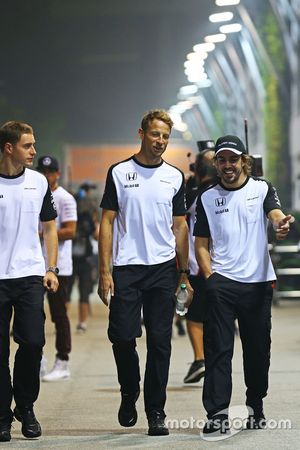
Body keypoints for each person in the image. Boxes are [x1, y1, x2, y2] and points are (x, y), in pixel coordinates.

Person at [98, 109, 193, 436]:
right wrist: (104, 271)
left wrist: (184, 274)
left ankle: (156, 410)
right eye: (155, 135)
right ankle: (129, 391)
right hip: (126, 269)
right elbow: (107, 222)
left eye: (166, 136)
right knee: (122, 336)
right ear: (141, 134)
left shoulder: (175, 177)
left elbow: (180, 227)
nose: (161, 141)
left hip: (163, 270)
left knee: (160, 342)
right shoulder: (120, 172)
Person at [194, 135, 293, 435]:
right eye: (222, 159)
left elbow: (275, 215)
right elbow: (200, 245)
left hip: (257, 285)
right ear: (216, 163)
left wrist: (280, 224)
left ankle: (255, 406)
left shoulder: (262, 188)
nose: (227, 165)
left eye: (233, 159)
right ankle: (217, 414)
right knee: (218, 351)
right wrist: (210, 278)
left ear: (244, 161)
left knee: (257, 350)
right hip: (222, 284)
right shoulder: (207, 198)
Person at [0, 121, 59, 442]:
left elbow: (49, 228)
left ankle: (25, 405)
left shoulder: (38, 182)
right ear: (9, 148)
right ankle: (1, 415)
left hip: (29, 277)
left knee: (33, 342)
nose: (34, 151)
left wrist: (51, 268)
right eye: (27, 145)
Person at [37, 155, 77, 381]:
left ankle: (63, 360)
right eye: (41, 172)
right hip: (35, 264)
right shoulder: (34, 193)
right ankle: (39, 357)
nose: (45, 176)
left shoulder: (65, 198)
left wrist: (42, 234)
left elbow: (70, 231)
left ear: (57, 174)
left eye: (49, 172)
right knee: (35, 315)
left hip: (60, 265)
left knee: (59, 315)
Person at [183, 147, 218, 384]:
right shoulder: (225, 189)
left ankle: (200, 359)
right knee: (213, 316)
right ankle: (208, 361)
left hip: (199, 263)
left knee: (195, 315)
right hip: (218, 264)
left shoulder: (193, 194)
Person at [71, 182, 99, 333]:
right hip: (72, 258)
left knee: (84, 293)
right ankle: (73, 322)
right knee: (69, 293)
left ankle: (82, 322)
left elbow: (96, 236)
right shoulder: (72, 218)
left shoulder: (88, 219)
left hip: (86, 258)